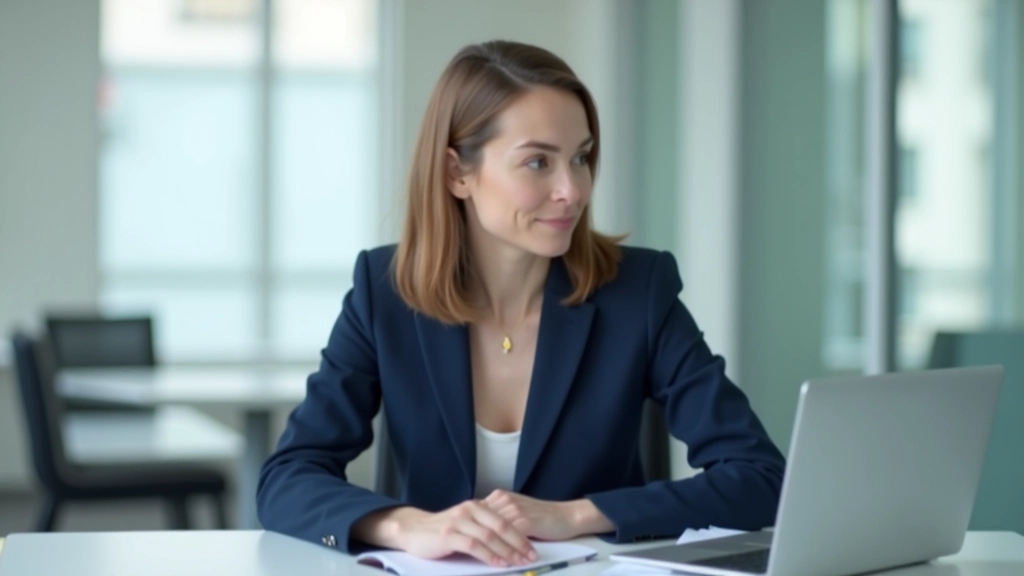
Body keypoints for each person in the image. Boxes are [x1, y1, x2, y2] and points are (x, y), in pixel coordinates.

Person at [257, 40, 785, 567]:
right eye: (538, 162)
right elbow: (287, 479)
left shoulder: (638, 290)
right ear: (456, 174)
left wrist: (575, 514)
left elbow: (761, 477)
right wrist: (408, 527)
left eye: (580, 158)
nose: (572, 190)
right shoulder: (384, 292)